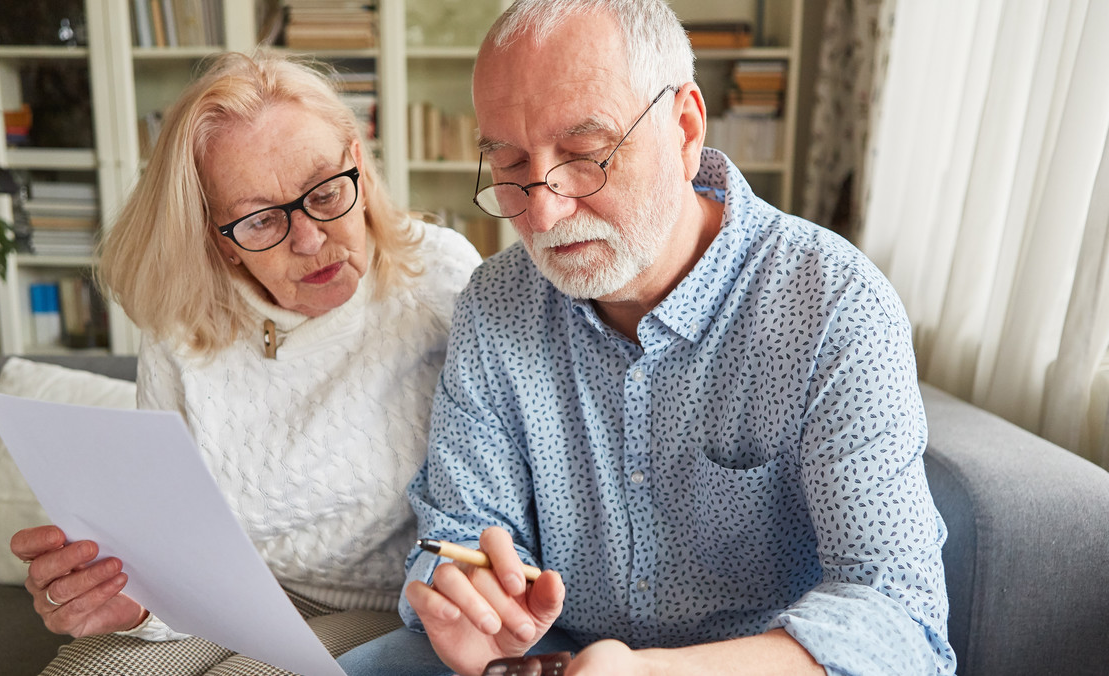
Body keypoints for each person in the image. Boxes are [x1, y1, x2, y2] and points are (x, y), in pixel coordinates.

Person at [387, 1, 957, 675]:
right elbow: (455, 535)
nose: (542, 210)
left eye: (585, 154)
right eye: (510, 166)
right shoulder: (497, 303)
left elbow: (901, 619)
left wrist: (655, 673)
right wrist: (467, 604)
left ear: (685, 129)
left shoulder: (833, 306)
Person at [8, 51, 483, 675]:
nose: (310, 239)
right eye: (260, 219)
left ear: (358, 164)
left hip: (382, 603)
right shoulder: (183, 319)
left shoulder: (442, 278)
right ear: (215, 237)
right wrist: (127, 599)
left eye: (325, 191)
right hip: (218, 597)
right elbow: (169, 535)